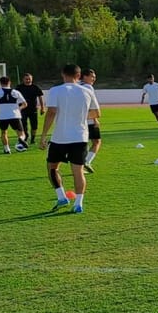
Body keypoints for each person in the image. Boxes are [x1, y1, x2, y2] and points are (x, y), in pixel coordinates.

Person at [40, 64, 99, 214]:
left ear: (62, 74)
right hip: (80, 136)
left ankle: (61, 197)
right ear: (78, 76)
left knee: (52, 167)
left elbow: (52, 112)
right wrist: (79, 117)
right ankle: (78, 204)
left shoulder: (55, 90)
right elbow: (96, 113)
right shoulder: (87, 91)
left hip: (60, 137)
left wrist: (44, 135)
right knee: (78, 171)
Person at [0, 76, 28, 154]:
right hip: (15, 115)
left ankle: (7, 149)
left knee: (4, 132)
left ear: (1, 83)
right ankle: (21, 140)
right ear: (9, 82)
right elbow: (25, 104)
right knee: (21, 133)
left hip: (3, 117)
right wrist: (19, 109)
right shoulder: (16, 92)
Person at [78, 69, 102, 174]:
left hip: (77, 121)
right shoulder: (88, 87)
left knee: (83, 144)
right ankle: (87, 162)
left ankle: (80, 166)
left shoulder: (75, 86)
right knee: (96, 142)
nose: (94, 79)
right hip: (89, 121)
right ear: (84, 76)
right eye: (92, 76)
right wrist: (95, 119)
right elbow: (90, 105)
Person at [16, 73, 45, 144]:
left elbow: (40, 97)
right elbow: (15, 97)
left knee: (34, 126)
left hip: (33, 109)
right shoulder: (19, 87)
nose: (28, 80)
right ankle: (25, 137)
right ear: (23, 79)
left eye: (29, 79)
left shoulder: (35, 87)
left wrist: (42, 108)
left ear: (32, 79)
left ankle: (33, 139)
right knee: (23, 125)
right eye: (26, 79)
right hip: (23, 109)